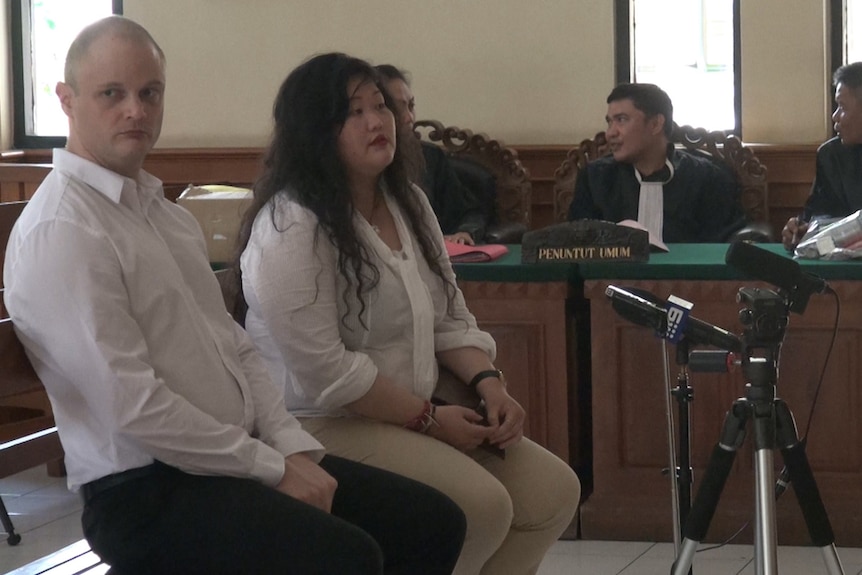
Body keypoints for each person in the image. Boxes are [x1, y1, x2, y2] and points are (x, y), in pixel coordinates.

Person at [3, 17, 466, 575]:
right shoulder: (65, 229)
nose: (136, 110)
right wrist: (269, 467)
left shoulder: (165, 217)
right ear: (66, 100)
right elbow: (133, 407)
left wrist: (288, 446)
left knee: (431, 521)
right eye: (112, 94)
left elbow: (236, 347)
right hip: (143, 489)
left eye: (150, 93)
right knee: (347, 557)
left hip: (228, 458)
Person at [236, 52, 580, 575]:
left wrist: (490, 385)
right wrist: (429, 419)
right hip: (320, 422)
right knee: (481, 507)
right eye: (355, 112)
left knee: (554, 492)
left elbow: (448, 317)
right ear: (314, 129)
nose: (378, 121)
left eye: (382, 106)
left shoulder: (409, 202)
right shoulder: (291, 225)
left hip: (415, 409)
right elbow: (326, 374)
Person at [568, 83, 746, 243]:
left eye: (621, 120)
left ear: (655, 124)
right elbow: (576, 243)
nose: (610, 134)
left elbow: (723, 245)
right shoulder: (594, 178)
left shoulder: (707, 178)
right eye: (609, 122)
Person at [376, 64, 489, 245]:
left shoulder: (430, 157)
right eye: (398, 108)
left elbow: (469, 213)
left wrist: (465, 232)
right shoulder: (359, 164)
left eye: (411, 106)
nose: (409, 117)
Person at [782, 62, 862, 250]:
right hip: (841, 263)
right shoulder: (830, 156)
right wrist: (803, 230)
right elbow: (819, 214)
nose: (835, 116)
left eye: (842, 107)